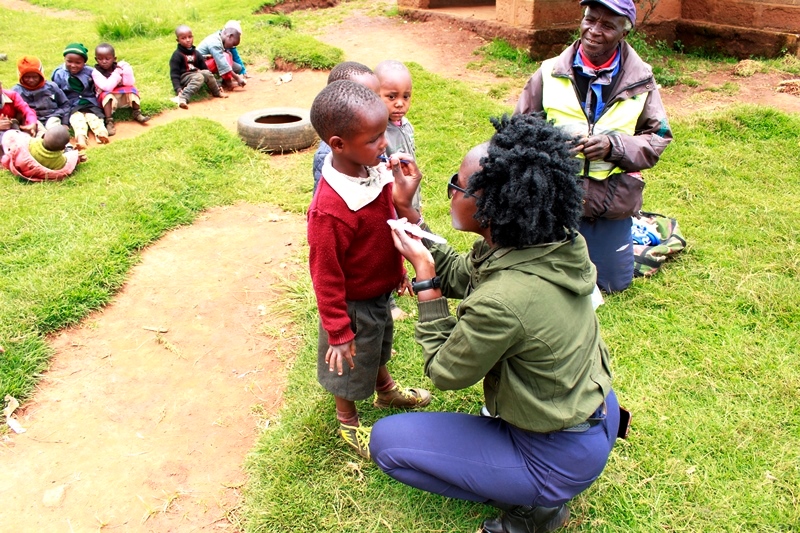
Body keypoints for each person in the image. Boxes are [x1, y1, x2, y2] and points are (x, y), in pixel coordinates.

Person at [370, 113, 623, 533]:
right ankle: (534, 483)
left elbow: (446, 371)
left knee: (389, 444)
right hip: (592, 416)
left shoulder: (505, 300)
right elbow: (465, 273)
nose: (451, 190)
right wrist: (408, 214)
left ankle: (533, 507)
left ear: (491, 205)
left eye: (458, 184)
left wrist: (426, 284)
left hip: (556, 453)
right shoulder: (546, 242)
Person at [307, 80, 432, 459]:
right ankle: (348, 423)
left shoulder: (371, 170)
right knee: (349, 366)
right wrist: (338, 330)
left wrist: (397, 271)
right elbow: (324, 274)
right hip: (352, 304)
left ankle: (385, 392)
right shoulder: (330, 208)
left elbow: (387, 222)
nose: (385, 144)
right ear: (338, 144)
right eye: (375, 138)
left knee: (377, 348)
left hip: (377, 292)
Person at [514, 0, 673, 293]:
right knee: (537, 278)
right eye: (590, 19)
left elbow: (658, 137)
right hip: (553, 197)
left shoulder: (641, 79)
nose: (594, 31)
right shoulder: (549, 72)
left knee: (611, 284)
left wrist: (615, 147)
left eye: (607, 25)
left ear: (624, 33)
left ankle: (632, 232)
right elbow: (517, 130)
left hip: (609, 201)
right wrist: (553, 146)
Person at [312, 61, 380, 195]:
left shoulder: (376, 130)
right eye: (365, 100)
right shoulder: (327, 156)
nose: (376, 106)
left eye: (377, 98)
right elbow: (323, 200)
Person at [374, 60, 422, 212]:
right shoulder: (378, 133)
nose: (400, 103)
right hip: (392, 204)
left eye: (406, 97)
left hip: (411, 196)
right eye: (392, 97)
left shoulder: (406, 125)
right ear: (375, 95)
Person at [51, 42, 109, 150]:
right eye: (69, 61)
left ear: (84, 63)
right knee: (77, 120)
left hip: (89, 101)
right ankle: (81, 139)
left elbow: (98, 85)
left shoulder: (90, 71)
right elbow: (57, 91)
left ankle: (102, 133)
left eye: (78, 62)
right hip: (72, 104)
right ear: (64, 59)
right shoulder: (59, 73)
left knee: (94, 117)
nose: (73, 65)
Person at [92, 43, 150, 136]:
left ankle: (136, 113)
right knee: (106, 94)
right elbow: (107, 87)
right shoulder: (96, 72)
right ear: (96, 59)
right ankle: (109, 121)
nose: (104, 61)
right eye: (100, 59)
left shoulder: (118, 67)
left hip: (121, 96)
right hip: (107, 101)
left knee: (132, 90)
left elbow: (129, 83)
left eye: (107, 59)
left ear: (114, 59)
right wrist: (117, 73)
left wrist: (127, 70)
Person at [169, 25, 228, 109]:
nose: (188, 40)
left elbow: (205, 69)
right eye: (183, 38)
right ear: (178, 40)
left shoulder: (196, 53)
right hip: (184, 77)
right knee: (199, 76)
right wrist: (178, 88)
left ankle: (217, 92)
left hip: (195, 74)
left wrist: (217, 84)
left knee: (206, 73)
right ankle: (183, 97)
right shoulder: (177, 55)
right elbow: (174, 74)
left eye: (190, 37)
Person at [11, 56, 71, 137]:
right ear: (20, 76)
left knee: (54, 128)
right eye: (27, 77)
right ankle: (43, 141)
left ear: (41, 74)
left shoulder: (51, 87)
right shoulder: (16, 91)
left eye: (35, 76)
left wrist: (65, 122)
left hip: (52, 116)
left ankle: (66, 145)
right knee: (39, 131)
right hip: (32, 120)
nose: (31, 80)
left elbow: (65, 104)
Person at [1, 125, 83, 182]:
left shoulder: (31, 143)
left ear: (43, 136)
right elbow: (68, 164)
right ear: (62, 148)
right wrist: (77, 158)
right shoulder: (59, 161)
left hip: (21, 165)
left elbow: (20, 142)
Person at [196, 26, 246, 92]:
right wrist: (237, 78)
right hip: (198, 68)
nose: (232, 46)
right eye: (233, 44)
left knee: (228, 55)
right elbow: (222, 64)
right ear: (230, 36)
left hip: (206, 64)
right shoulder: (214, 43)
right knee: (225, 56)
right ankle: (229, 83)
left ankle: (223, 81)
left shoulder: (218, 39)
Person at [0, 77, 38, 143]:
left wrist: (32, 123)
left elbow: (27, 110)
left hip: (15, 128)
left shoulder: (12, 96)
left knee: (38, 127)